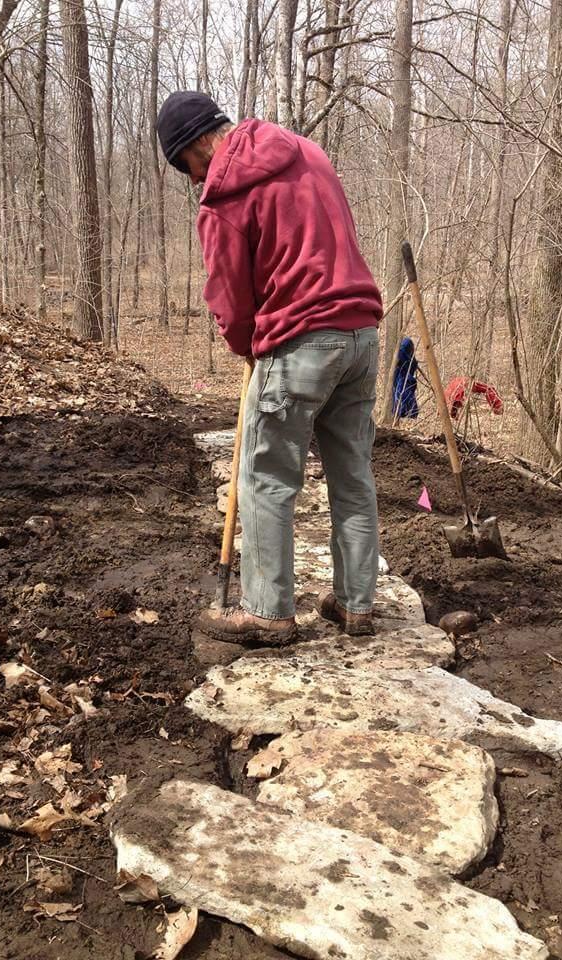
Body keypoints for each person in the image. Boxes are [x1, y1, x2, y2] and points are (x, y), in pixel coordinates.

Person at [156, 91, 383, 644]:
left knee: (265, 477)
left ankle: (266, 610)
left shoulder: (224, 196)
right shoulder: (308, 152)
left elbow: (231, 300)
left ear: (199, 144)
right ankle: (356, 605)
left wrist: (246, 344)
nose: (191, 181)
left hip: (302, 339)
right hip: (362, 332)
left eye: (185, 166)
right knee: (352, 472)